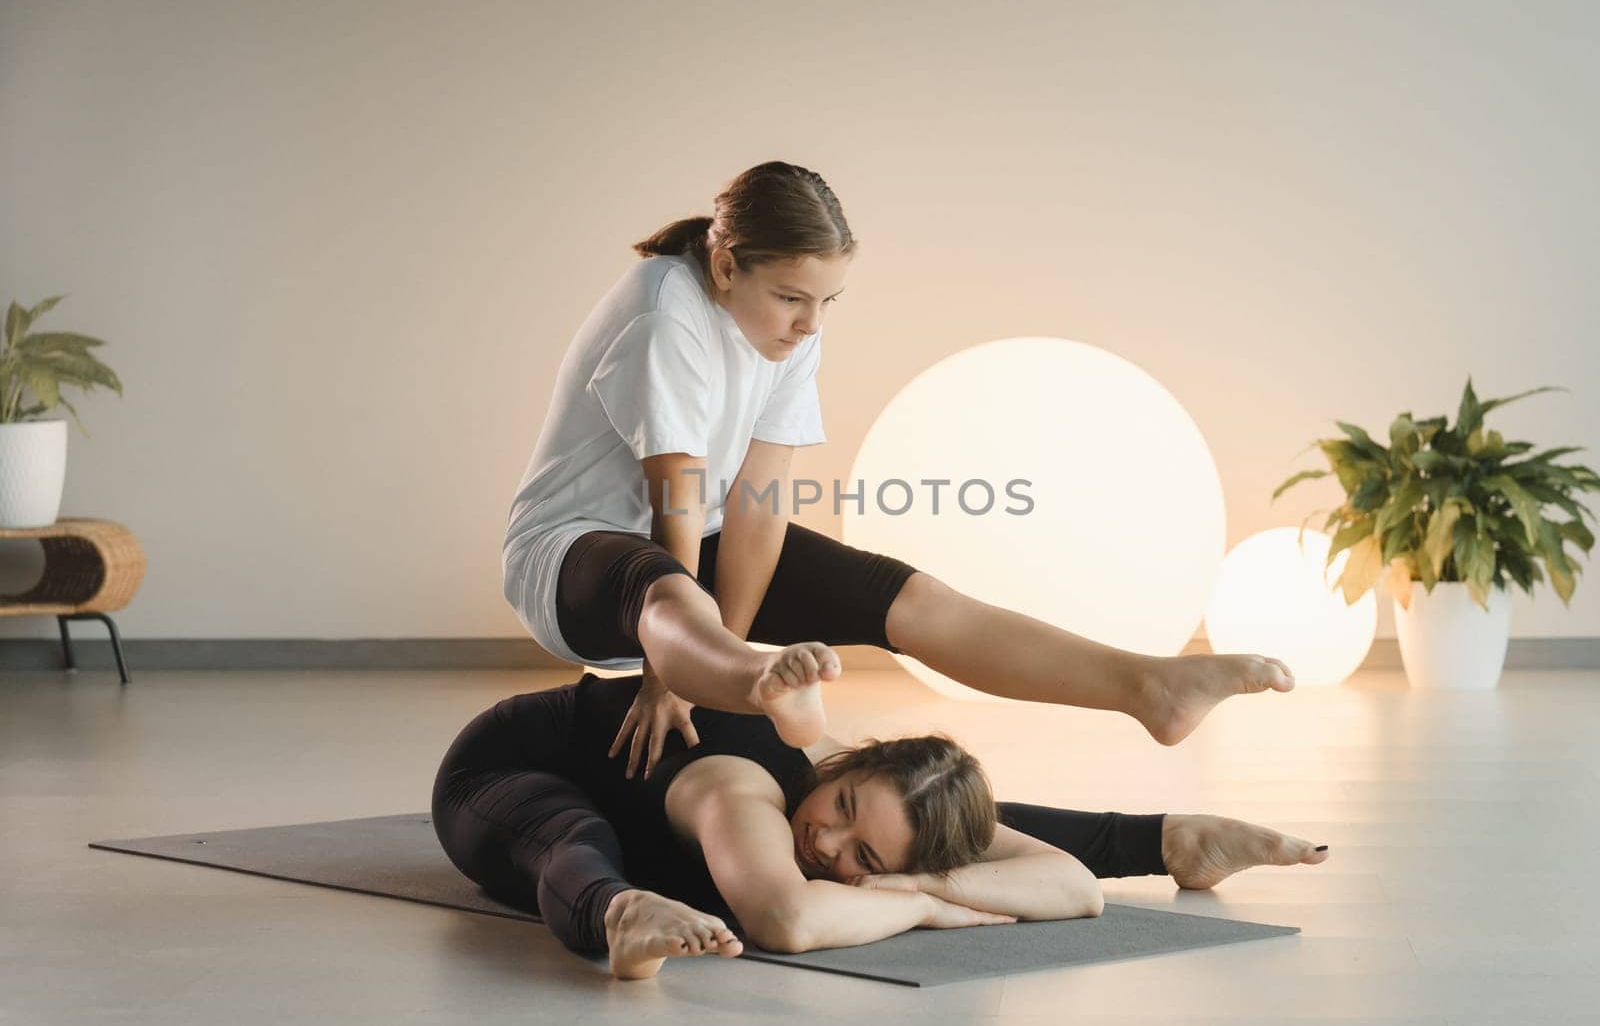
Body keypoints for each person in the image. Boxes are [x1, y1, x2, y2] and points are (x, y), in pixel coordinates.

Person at [501, 159, 1298, 778]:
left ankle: (1146, 686)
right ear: (725, 267)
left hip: (690, 566)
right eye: (790, 298)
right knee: (667, 583)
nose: (810, 323)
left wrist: (715, 663)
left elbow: (756, 504)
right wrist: (674, 674)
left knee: (913, 599)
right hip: (572, 554)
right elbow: (673, 499)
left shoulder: (790, 328)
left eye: (827, 301)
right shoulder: (663, 312)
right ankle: (761, 686)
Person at [431, 668, 1331, 980]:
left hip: (609, 790)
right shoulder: (744, 792)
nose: (825, 846)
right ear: (843, 761)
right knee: (572, 833)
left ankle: (1170, 837)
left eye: (864, 856)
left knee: (961, 822)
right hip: (504, 771)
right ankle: (619, 912)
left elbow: (1070, 891)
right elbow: (788, 923)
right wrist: (932, 906)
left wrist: (917, 878)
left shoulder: (873, 830)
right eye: (843, 808)